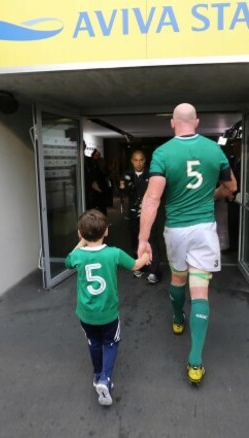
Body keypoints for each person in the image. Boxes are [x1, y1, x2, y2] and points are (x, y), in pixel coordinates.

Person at [137, 103, 237, 385]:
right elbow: (232, 188)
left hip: (176, 230)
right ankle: (195, 362)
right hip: (204, 230)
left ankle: (177, 318)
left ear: (172, 123)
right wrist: (212, 194)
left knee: (178, 278)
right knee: (200, 289)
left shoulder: (162, 153)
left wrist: (143, 239)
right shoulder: (214, 151)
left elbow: (153, 199)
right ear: (197, 122)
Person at [65, 209, 150, 406]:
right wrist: (146, 256)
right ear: (106, 232)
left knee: (93, 342)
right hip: (109, 314)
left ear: (80, 234)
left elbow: (69, 260)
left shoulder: (78, 256)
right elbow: (136, 265)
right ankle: (105, 378)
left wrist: (82, 240)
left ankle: (96, 375)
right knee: (111, 342)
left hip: (86, 314)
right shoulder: (114, 253)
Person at [119, 150, 161, 283]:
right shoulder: (126, 174)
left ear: (145, 160)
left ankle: (153, 271)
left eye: (141, 160)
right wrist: (124, 187)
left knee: (152, 240)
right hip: (133, 213)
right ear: (132, 161)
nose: (138, 163)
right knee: (135, 240)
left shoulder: (151, 174)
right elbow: (122, 191)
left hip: (149, 213)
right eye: (135, 160)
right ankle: (139, 266)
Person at [84, 149, 109, 215]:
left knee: (102, 206)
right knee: (93, 206)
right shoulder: (90, 163)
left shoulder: (100, 162)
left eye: (98, 155)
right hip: (93, 189)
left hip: (100, 186)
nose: (97, 157)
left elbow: (103, 173)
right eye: (96, 155)